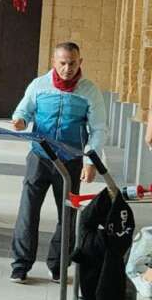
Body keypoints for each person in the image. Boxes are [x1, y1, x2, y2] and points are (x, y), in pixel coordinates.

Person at [9, 42, 106, 284]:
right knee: (28, 212)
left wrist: (91, 161)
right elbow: (23, 111)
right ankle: (20, 265)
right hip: (39, 157)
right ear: (54, 62)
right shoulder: (39, 85)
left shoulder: (90, 91)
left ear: (80, 62)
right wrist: (20, 120)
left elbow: (98, 129)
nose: (67, 68)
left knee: (68, 215)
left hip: (70, 161)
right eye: (62, 63)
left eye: (72, 63)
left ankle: (58, 265)